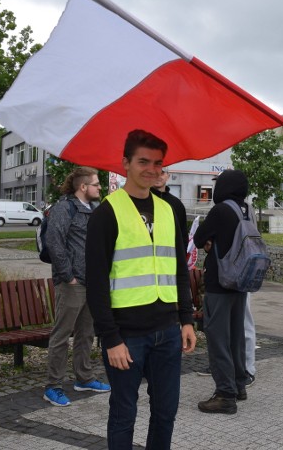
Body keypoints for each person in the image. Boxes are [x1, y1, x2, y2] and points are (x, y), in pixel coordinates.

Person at [86, 129, 196, 450]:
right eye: (143, 161)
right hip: (127, 335)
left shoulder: (169, 210)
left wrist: (186, 319)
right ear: (125, 164)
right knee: (123, 414)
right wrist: (111, 338)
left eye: (158, 163)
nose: (152, 169)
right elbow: (96, 282)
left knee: (166, 413)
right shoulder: (107, 213)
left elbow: (178, 268)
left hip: (167, 331)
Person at [42, 167, 110, 408]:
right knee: (61, 335)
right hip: (72, 284)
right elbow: (54, 242)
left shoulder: (94, 209)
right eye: (95, 184)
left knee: (86, 333)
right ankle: (53, 386)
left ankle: (84, 378)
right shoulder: (64, 208)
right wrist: (68, 276)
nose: (99, 187)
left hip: (91, 282)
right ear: (83, 187)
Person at [193, 169, 252, 414]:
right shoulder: (246, 210)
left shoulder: (220, 210)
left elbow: (198, 239)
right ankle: (239, 385)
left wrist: (211, 242)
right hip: (241, 282)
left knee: (217, 339)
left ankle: (225, 395)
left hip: (220, 282)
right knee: (236, 336)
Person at [152, 168, 188, 241]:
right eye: (154, 172)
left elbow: (183, 234)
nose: (158, 176)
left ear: (168, 176)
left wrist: (182, 252)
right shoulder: (141, 200)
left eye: (162, 173)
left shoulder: (177, 204)